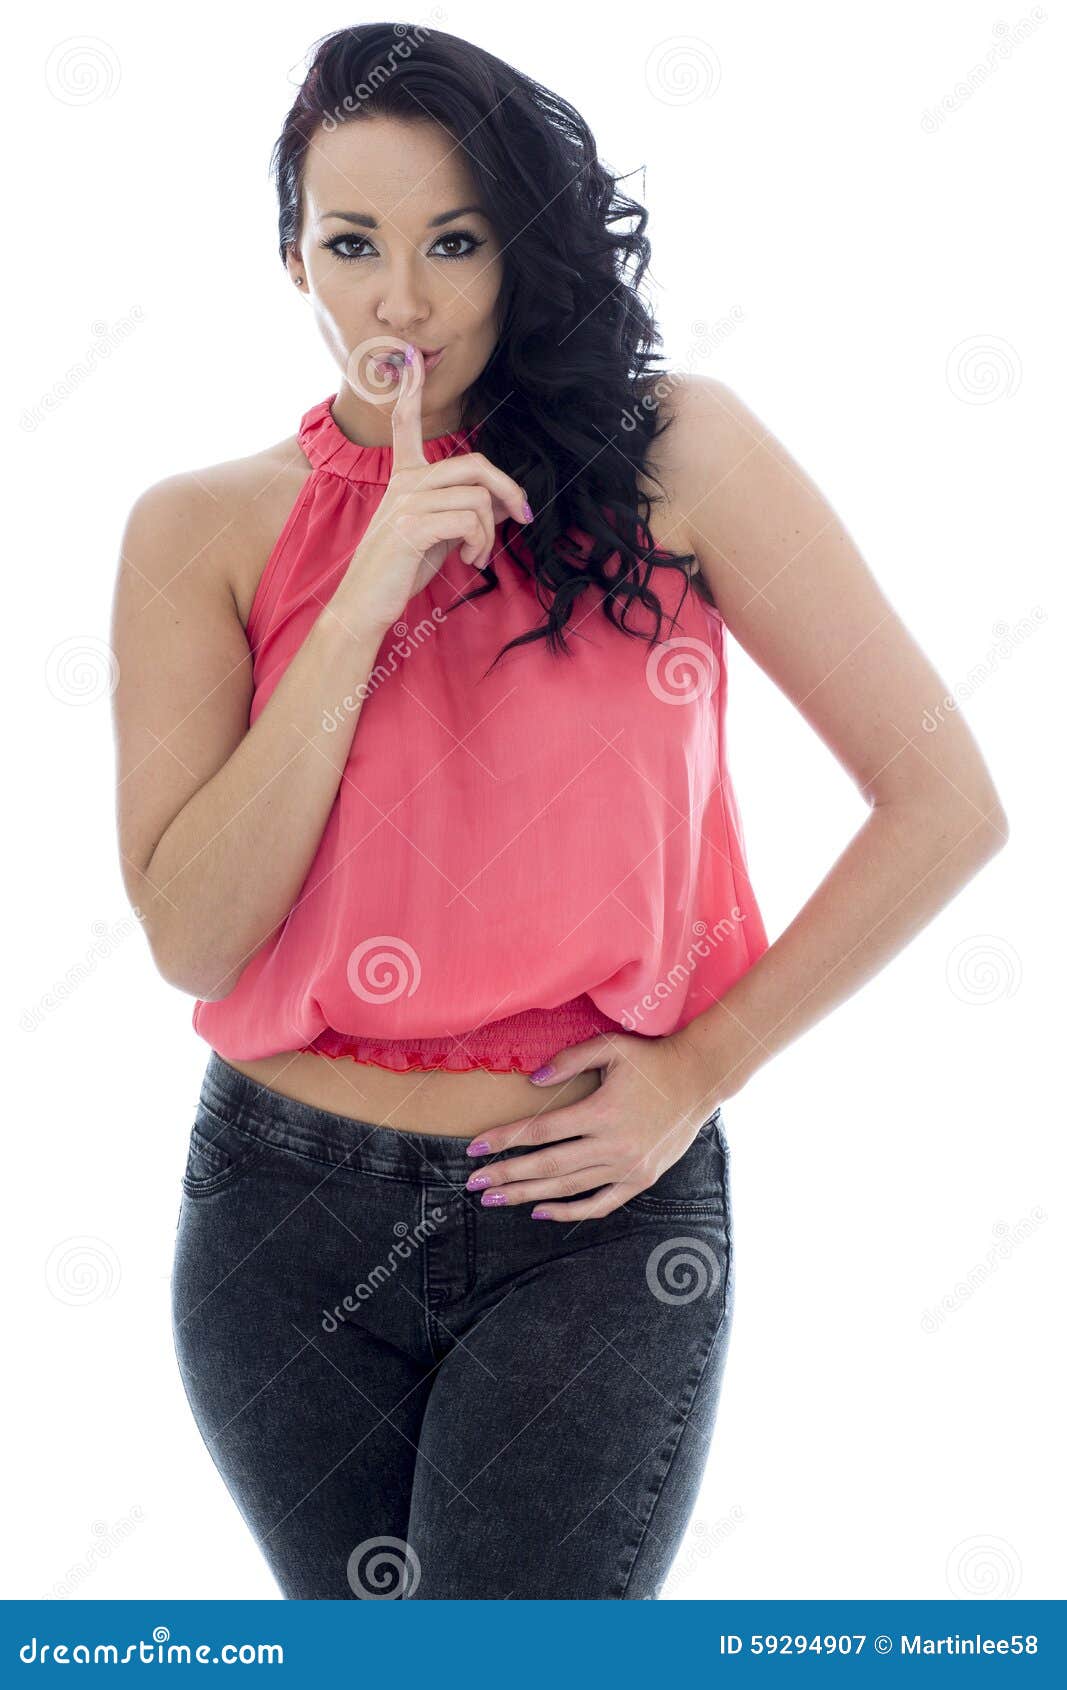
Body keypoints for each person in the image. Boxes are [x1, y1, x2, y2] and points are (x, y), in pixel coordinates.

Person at [109, 24, 1009, 1600]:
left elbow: (946, 803)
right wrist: (367, 580)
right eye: (352, 243)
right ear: (290, 257)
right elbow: (196, 933)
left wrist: (704, 1066)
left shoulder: (680, 456)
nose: (401, 300)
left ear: (520, 247)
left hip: (594, 1209)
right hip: (280, 1219)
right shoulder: (201, 529)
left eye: (454, 241)